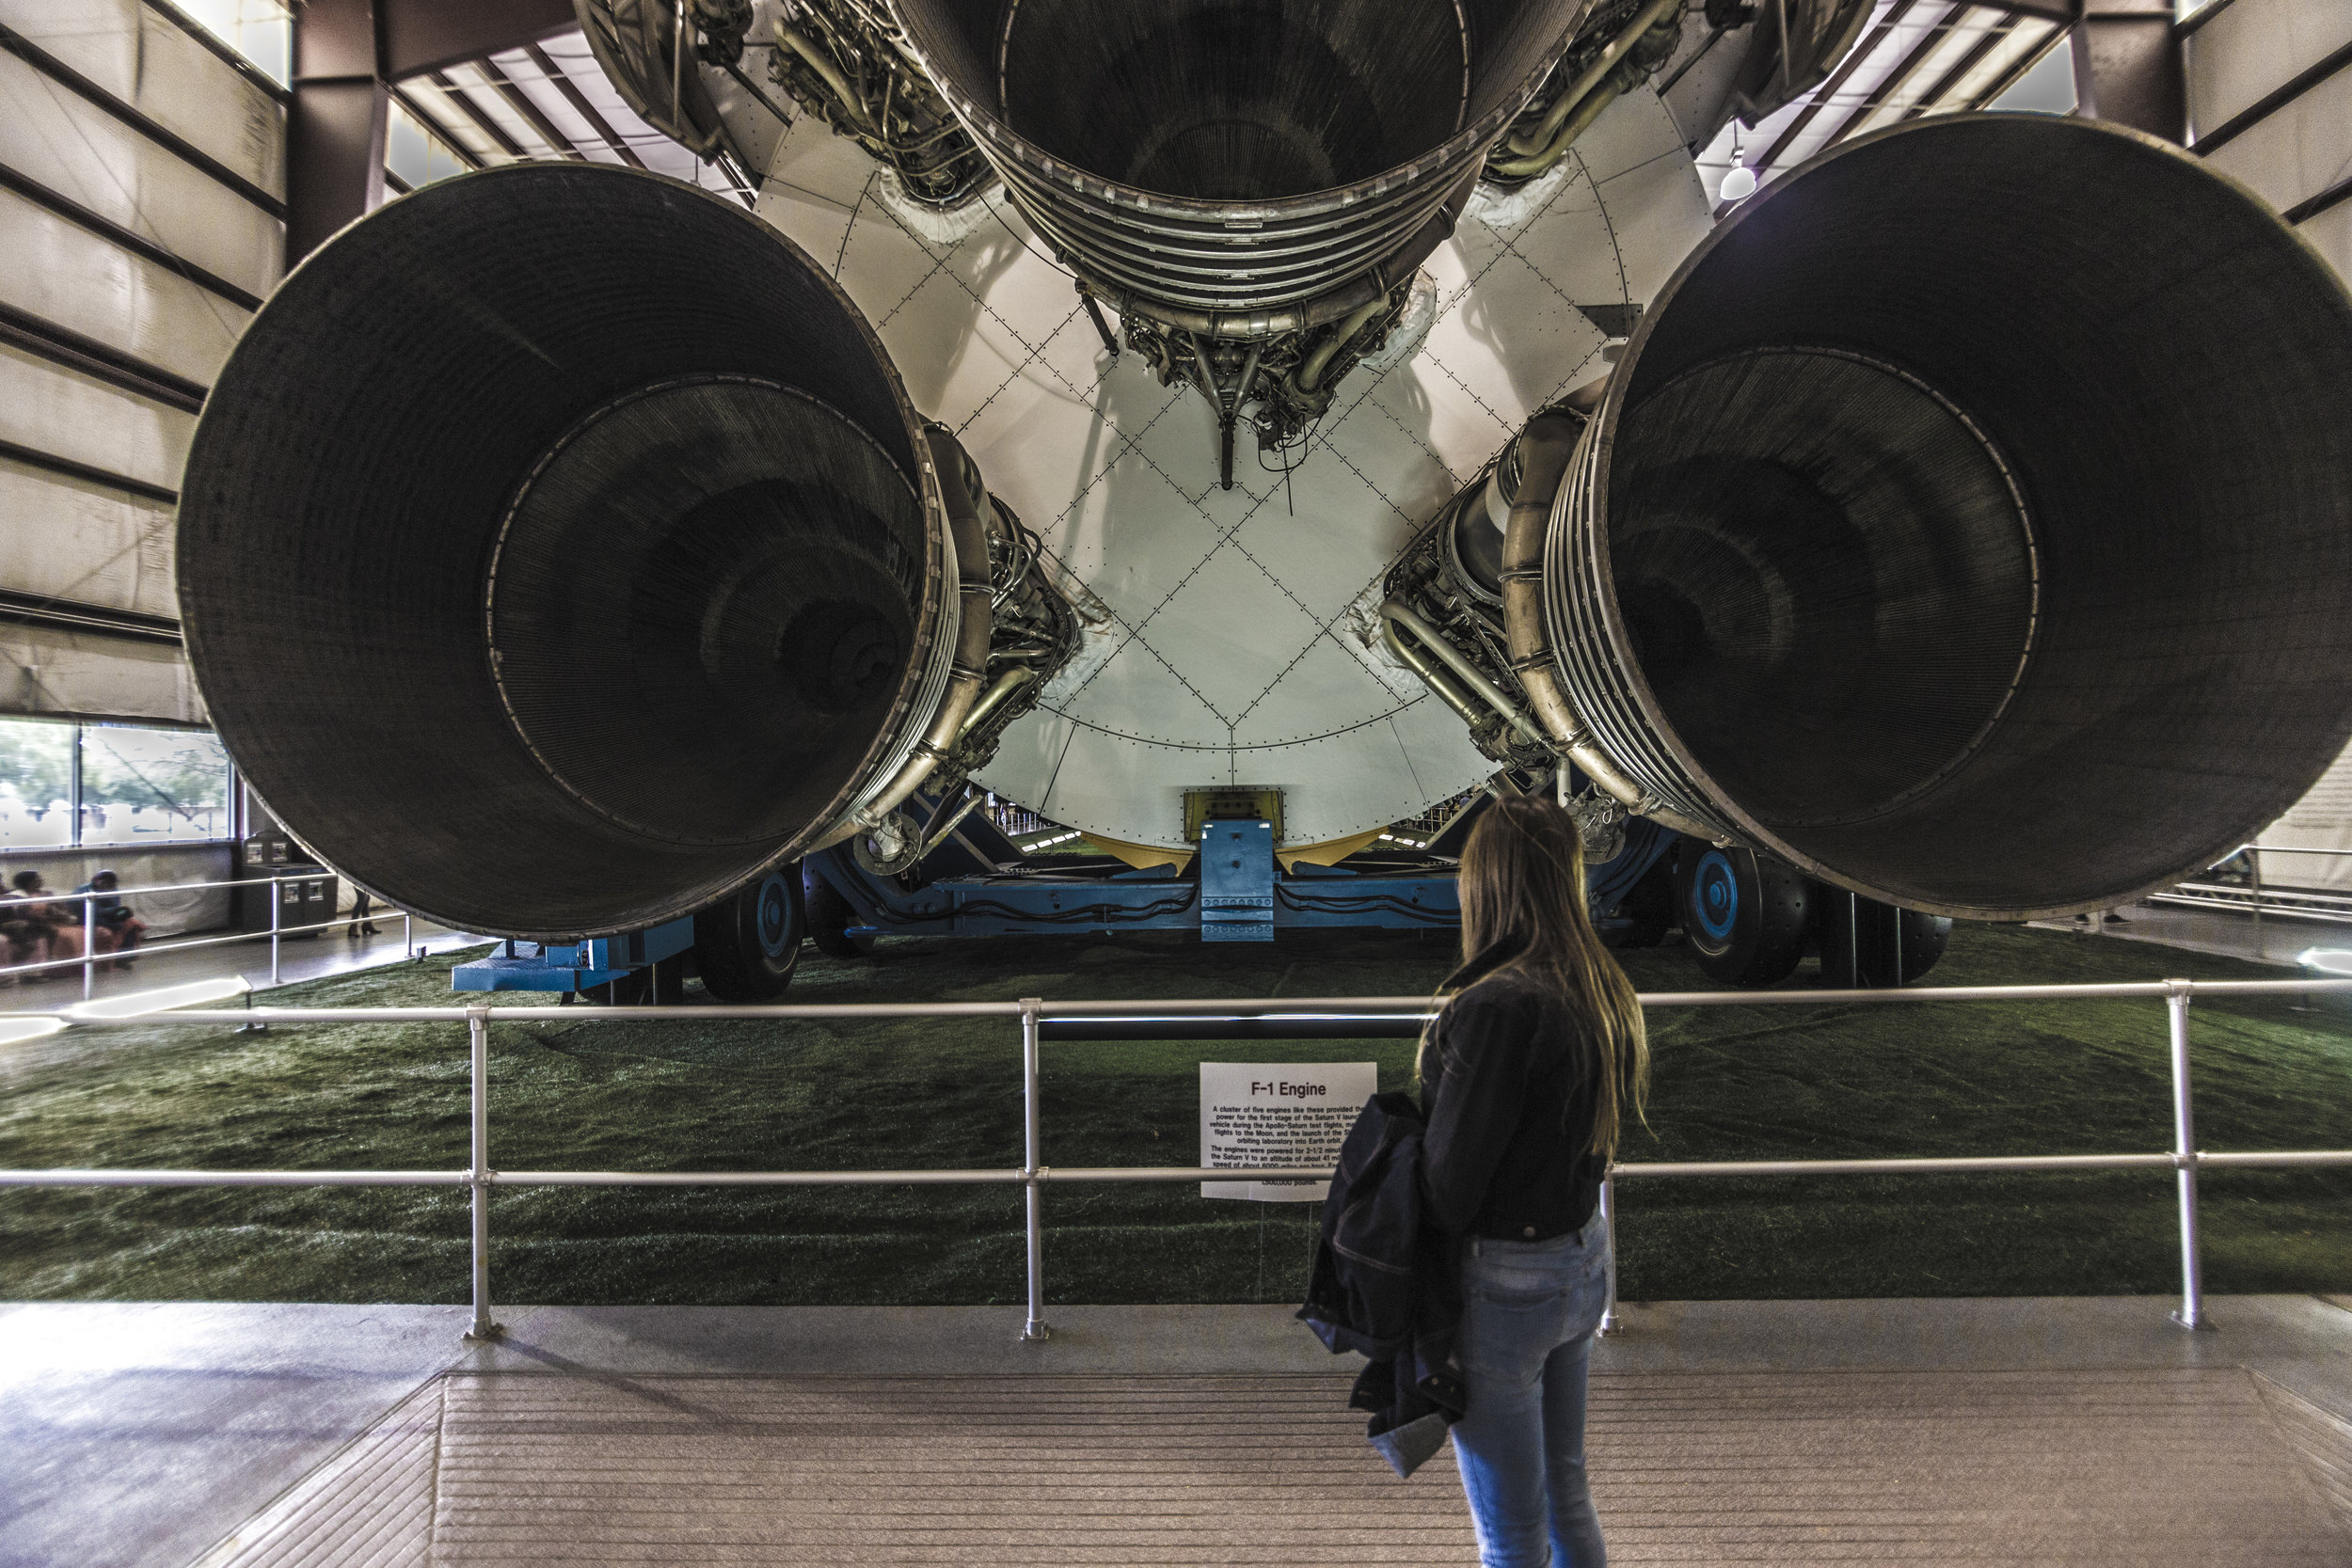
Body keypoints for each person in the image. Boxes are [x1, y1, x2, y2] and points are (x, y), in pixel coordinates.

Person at [1418, 793, 1649, 1568]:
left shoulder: (1494, 1006)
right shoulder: (1597, 985)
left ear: (1486, 883)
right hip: (1581, 1265)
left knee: (1510, 1534)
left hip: (1505, 1288)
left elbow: (1451, 1184)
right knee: (1566, 1494)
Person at [74, 870, 143, 971]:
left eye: (111, 883)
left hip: (110, 915)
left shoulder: (113, 889)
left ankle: (124, 959)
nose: (110, 885)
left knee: (128, 917)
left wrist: (120, 912)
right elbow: (92, 911)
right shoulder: (84, 889)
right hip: (89, 917)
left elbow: (116, 906)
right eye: (106, 883)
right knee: (118, 925)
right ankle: (110, 961)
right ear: (98, 881)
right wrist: (112, 911)